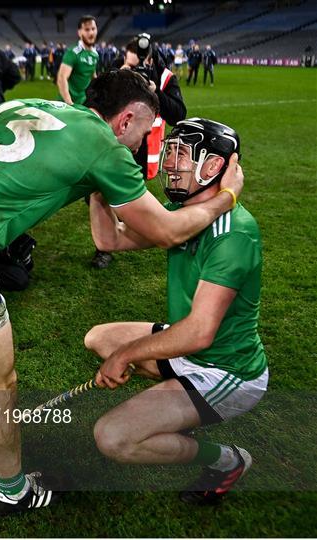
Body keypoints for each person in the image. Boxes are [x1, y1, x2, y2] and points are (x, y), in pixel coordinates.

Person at [0, 70, 242, 515]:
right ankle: (14, 491)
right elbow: (163, 231)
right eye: (144, 131)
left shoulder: (41, 105)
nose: (142, 144)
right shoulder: (105, 144)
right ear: (125, 119)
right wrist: (226, 197)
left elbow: (106, 236)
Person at [85, 118, 267, 506]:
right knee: (98, 339)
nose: (169, 163)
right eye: (171, 151)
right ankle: (175, 412)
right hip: (191, 343)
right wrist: (99, 188)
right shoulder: (181, 212)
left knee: (113, 437)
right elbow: (108, 239)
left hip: (224, 368)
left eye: (182, 154)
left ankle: (227, 460)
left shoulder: (235, 234)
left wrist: (127, 355)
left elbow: (200, 332)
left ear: (215, 166)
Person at [91, 36, 187, 270]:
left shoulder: (164, 77)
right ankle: (103, 248)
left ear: (150, 59)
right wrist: (122, 74)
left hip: (144, 145)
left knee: (129, 194)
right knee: (102, 193)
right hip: (112, 142)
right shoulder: (117, 71)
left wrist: (155, 94)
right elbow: (92, 98)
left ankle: (126, 236)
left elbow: (178, 114)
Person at [56, 15, 98, 105]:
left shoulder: (95, 54)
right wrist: (69, 103)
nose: (91, 33)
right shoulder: (73, 53)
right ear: (79, 32)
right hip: (66, 104)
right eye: (87, 30)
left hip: (83, 102)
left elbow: (92, 76)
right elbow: (61, 78)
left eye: (93, 29)